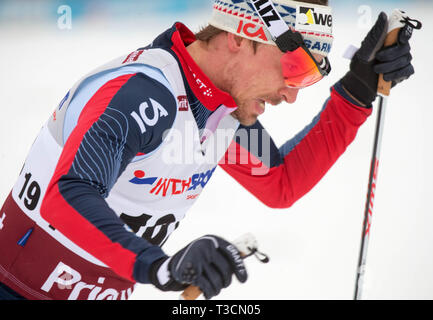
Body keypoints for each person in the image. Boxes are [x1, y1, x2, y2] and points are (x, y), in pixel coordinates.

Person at [0, 0, 416, 300]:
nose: (292, 94)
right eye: (294, 69)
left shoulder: (219, 112)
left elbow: (281, 182)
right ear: (240, 36)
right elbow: (66, 195)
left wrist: (357, 93)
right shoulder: (145, 93)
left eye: (309, 78)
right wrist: (158, 265)